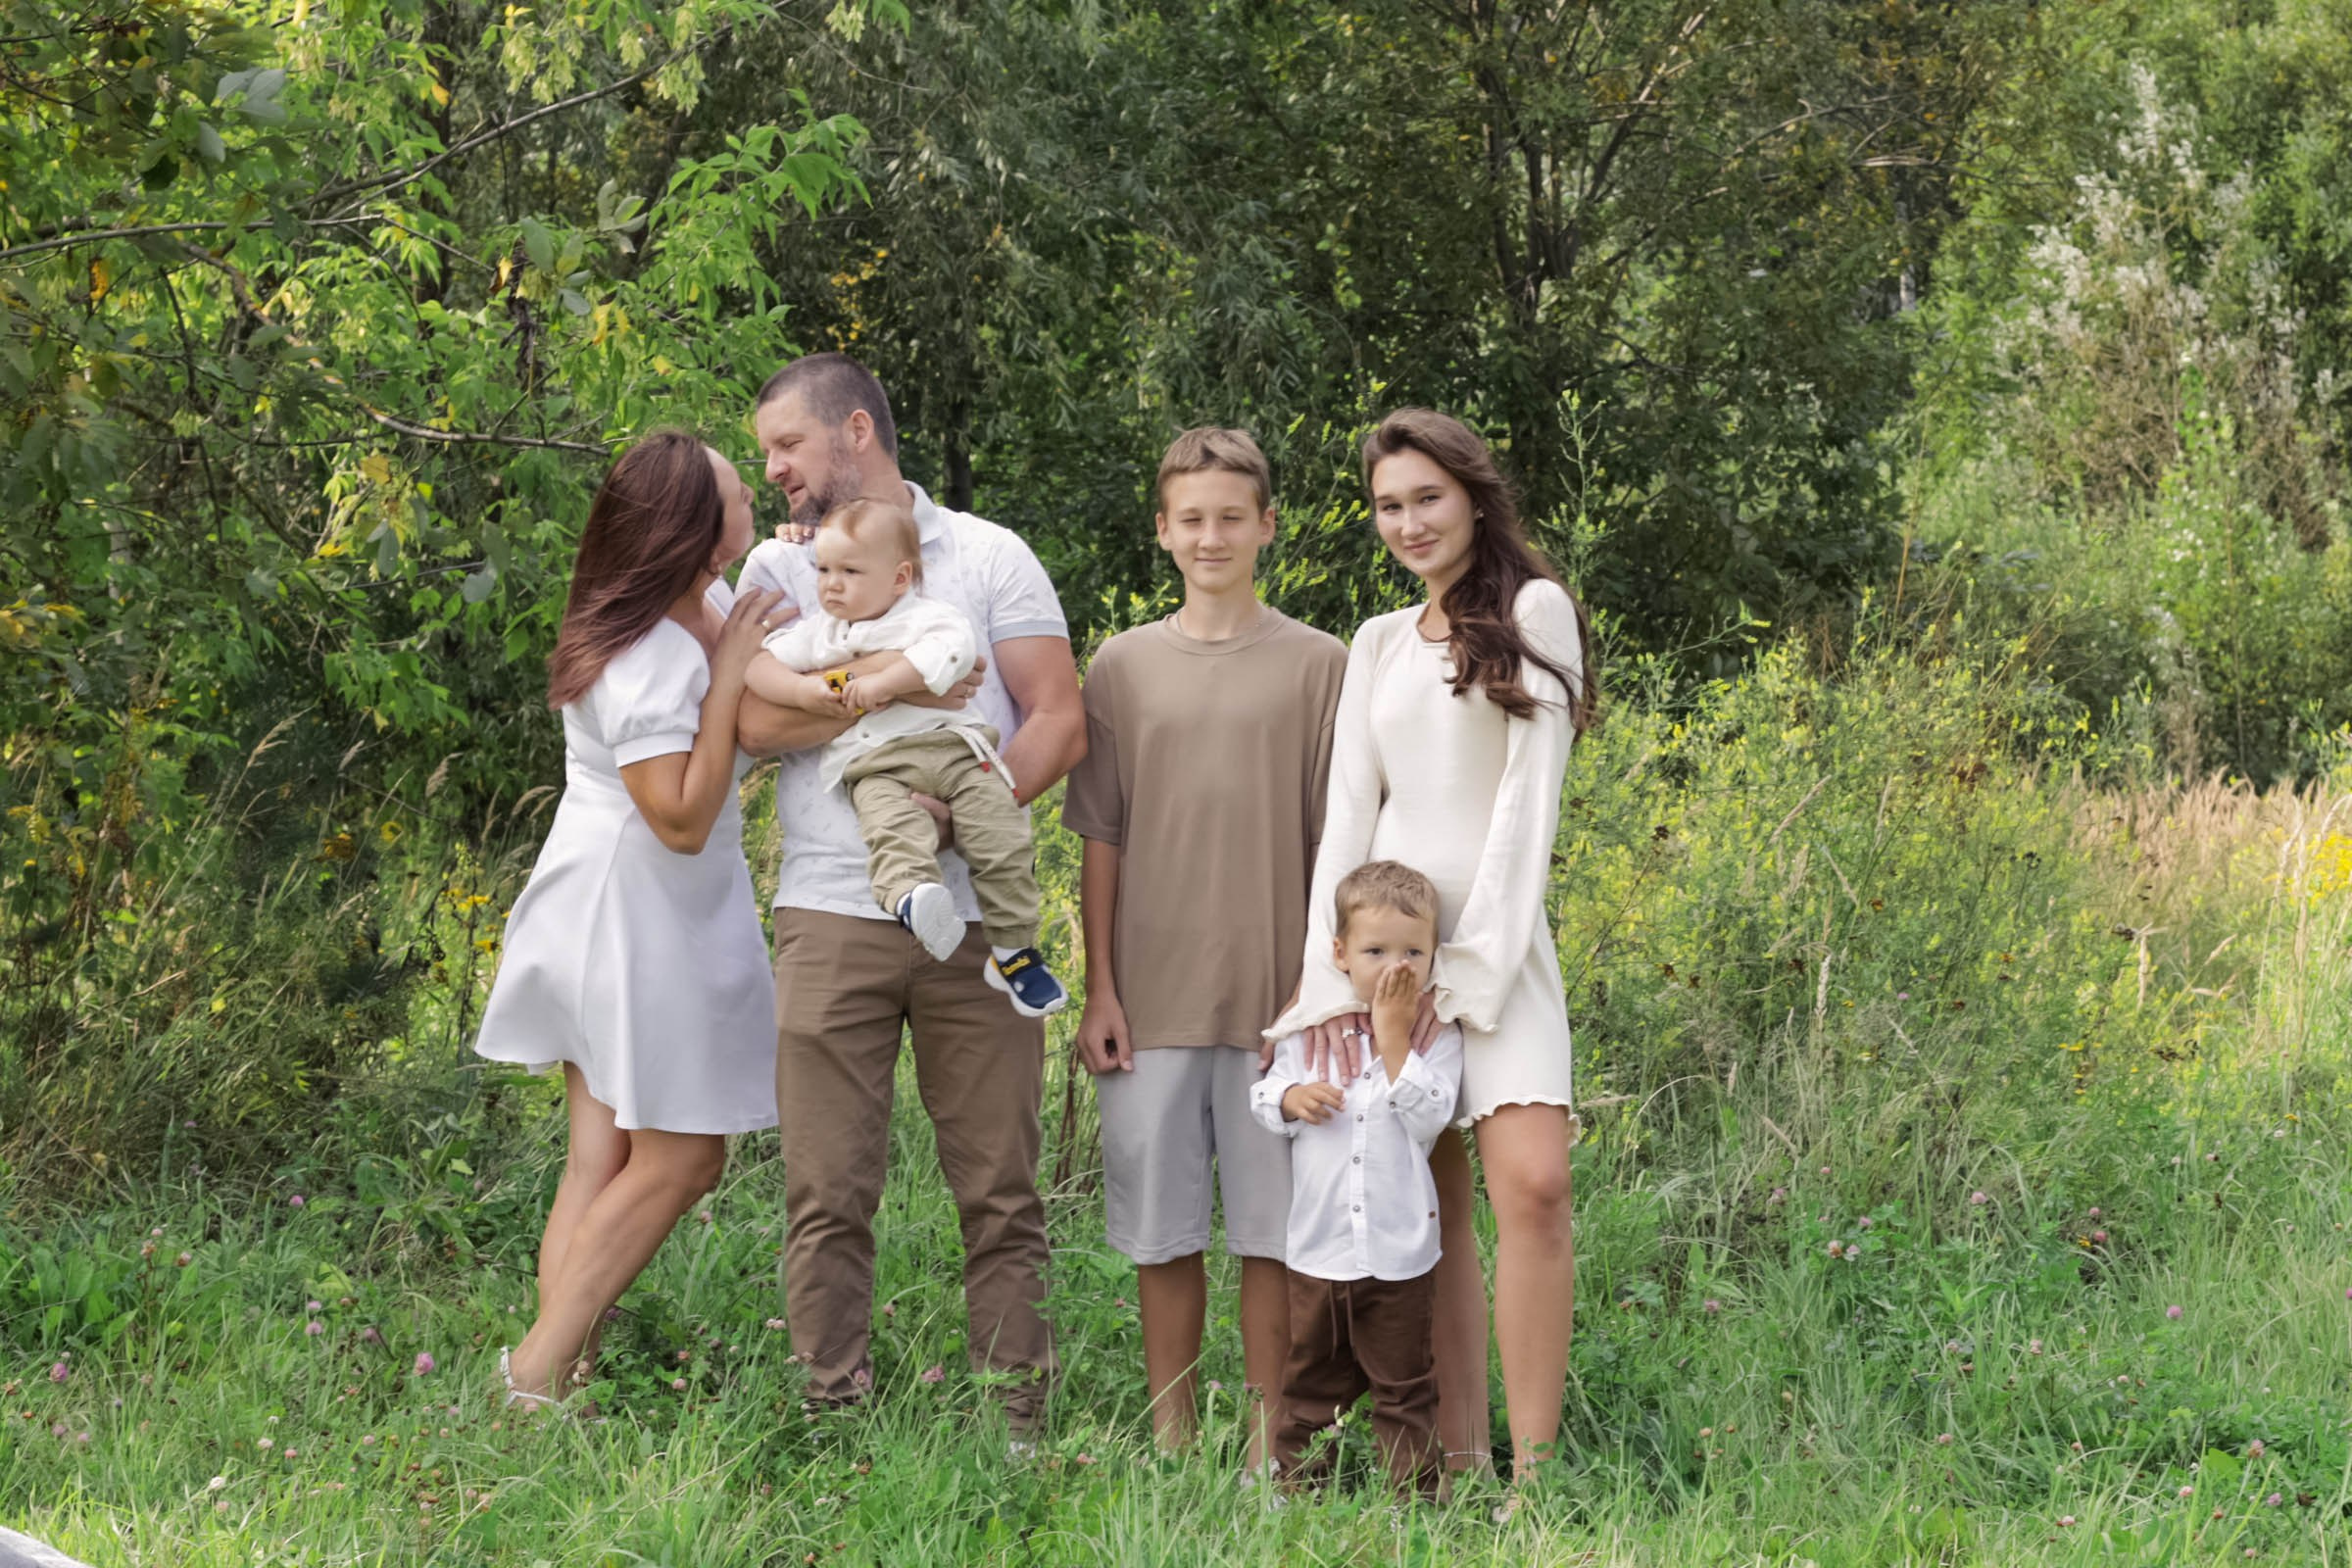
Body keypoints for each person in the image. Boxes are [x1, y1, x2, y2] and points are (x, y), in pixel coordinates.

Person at [734, 354, 1085, 1437]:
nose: (777, 473)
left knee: (1001, 1189)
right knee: (827, 1188)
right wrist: (888, 691)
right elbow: (749, 723)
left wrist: (971, 797)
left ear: (853, 431)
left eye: (786, 448)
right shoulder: (779, 570)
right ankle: (833, 1414)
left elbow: (1056, 716)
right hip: (831, 908)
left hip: (973, 918)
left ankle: (1012, 1422)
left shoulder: (989, 555)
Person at [1267, 408, 1596, 1493]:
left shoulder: (1533, 608)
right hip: (1385, 960)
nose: (1408, 522)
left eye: (1426, 498)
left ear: (1472, 492)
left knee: (1533, 1185)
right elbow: (1349, 813)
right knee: (1430, 1210)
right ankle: (1448, 1461)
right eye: (1388, 505)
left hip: (1492, 959)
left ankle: (1534, 1481)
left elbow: (1525, 806)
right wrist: (1336, 979)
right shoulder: (1373, 642)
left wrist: (1472, 969)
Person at [474, 429, 785, 1410]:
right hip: (634, 911)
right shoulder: (650, 649)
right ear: (702, 530)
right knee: (684, 1153)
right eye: (740, 494)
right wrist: (732, 671)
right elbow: (683, 819)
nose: (756, 503)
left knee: (600, 1154)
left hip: (634, 901)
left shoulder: (703, 607)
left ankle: (557, 1376)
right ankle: (533, 1371)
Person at [1060, 427, 1348, 1467]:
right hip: (1152, 999)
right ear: (1162, 532)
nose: (1212, 535)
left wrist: (1327, 998)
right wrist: (1100, 987)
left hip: (1282, 1007)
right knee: (1160, 1231)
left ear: (1268, 525)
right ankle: (1174, 1439)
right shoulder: (1123, 666)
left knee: (1273, 1238)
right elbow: (1102, 834)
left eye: (1233, 516)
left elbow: (1341, 841)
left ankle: (1276, 1443)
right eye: (1193, 519)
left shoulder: (1322, 664)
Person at [746, 497, 1067, 1016]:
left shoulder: (927, 617)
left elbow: (953, 653)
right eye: (823, 569)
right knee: (892, 828)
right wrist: (805, 692)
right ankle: (912, 897)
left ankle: (1013, 952)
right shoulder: (821, 634)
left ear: (899, 578)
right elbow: (758, 669)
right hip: (876, 764)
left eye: (850, 571)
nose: (831, 584)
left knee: (1000, 835)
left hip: (955, 752)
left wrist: (883, 683)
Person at [1253, 860, 1462, 1497]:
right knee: (1312, 1381)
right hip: (1320, 1252)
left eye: (1413, 952)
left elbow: (1433, 1114)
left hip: (1399, 1258)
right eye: (1376, 951)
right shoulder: (1312, 1035)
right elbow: (1264, 1094)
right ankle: (1297, 1489)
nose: (1395, 967)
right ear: (1341, 955)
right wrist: (1291, 1097)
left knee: (1404, 1387)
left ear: (1433, 957)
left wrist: (1393, 1038)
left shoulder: (1434, 1037)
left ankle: (1413, 1500)